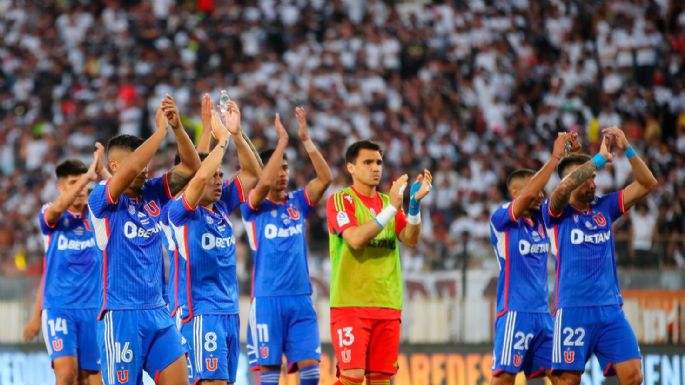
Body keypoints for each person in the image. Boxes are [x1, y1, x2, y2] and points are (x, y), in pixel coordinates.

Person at [88, 95, 201, 385]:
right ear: (114, 166)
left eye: (146, 160)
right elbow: (130, 170)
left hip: (158, 313)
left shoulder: (153, 193)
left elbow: (191, 168)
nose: (145, 166)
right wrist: (159, 132)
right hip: (120, 316)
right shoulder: (101, 199)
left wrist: (176, 129)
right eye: (137, 161)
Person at [543, 127, 658, 385]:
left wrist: (627, 147)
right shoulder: (555, 213)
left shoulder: (604, 207)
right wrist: (597, 158)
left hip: (609, 310)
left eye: (595, 177)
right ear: (572, 180)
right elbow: (562, 191)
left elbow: (648, 183)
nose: (594, 183)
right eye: (588, 178)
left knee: (634, 376)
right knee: (567, 381)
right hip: (572, 309)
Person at [325, 140, 432, 385]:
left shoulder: (388, 203)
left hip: (388, 304)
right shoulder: (341, 200)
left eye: (379, 162)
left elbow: (411, 239)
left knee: (380, 381)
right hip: (351, 304)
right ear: (351, 168)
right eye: (368, 162)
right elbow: (355, 239)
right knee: (352, 377)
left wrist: (413, 205)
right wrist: (393, 208)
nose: (376, 168)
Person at [169, 102, 261, 385]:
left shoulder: (221, 207)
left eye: (221, 175)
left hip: (229, 312)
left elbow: (253, 173)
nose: (219, 180)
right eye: (214, 176)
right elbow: (197, 178)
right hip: (199, 312)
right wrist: (218, 140)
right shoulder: (178, 211)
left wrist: (236, 133)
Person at [242, 107, 332, 385]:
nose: (282, 174)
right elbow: (264, 182)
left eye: (285, 168)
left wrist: (305, 139)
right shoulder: (253, 207)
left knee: (312, 372)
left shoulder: (298, 202)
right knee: (269, 375)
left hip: (301, 298)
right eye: (277, 168)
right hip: (268, 299)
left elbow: (325, 179)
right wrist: (281, 142)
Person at [489, 133, 577, 384]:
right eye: (535, 188)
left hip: (542, 315)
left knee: (565, 379)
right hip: (515, 312)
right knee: (504, 379)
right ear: (516, 192)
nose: (541, 194)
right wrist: (554, 157)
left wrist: (569, 161)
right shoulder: (502, 219)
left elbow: (563, 194)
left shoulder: (542, 220)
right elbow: (529, 196)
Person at [24, 145, 109, 385]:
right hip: (60, 309)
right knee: (67, 374)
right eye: (73, 183)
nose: (81, 188)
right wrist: (36, 315)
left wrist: (100, 173)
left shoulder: (97, 218)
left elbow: (117, 191)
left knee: (92, 380)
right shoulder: (52, 216)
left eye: (83, 184)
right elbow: (48, 275)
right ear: (61, 188)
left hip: (93, 310)